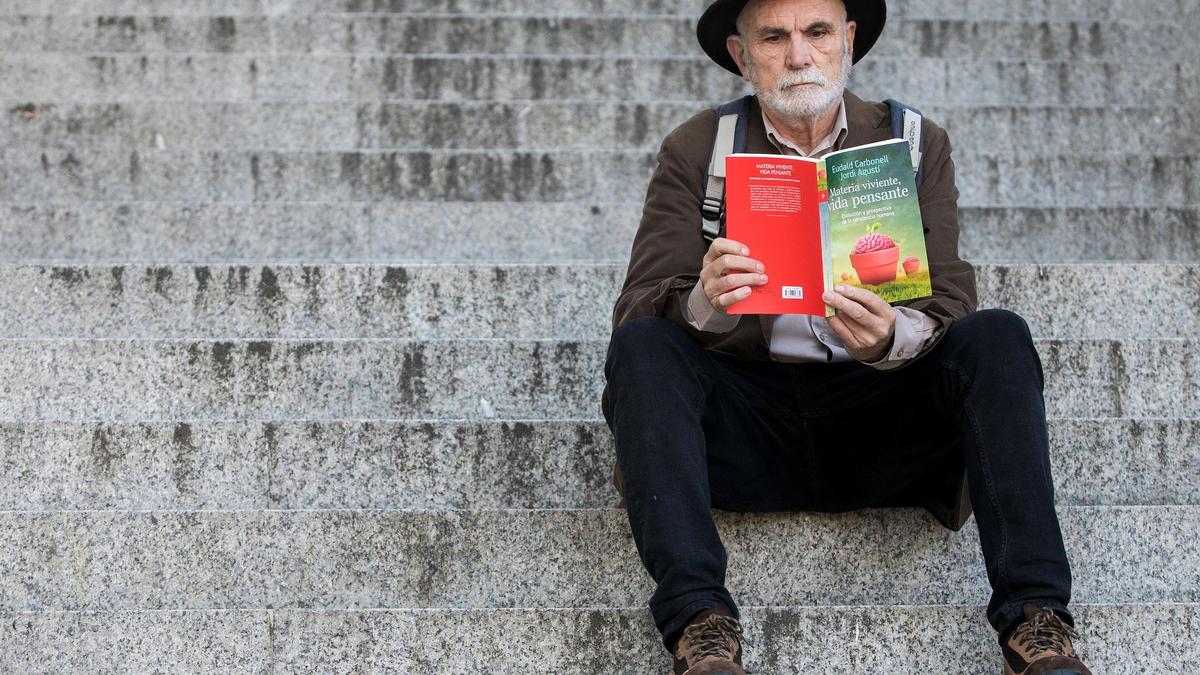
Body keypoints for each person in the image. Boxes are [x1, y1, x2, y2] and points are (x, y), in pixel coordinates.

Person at [601, 1, 1093, 673]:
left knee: (998, 336)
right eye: (774, 37)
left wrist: (891, 336)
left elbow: (952, 300)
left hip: (880, 418)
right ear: (743, 55)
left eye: (817, 32)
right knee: (643, 349)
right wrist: (704, 302)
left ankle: (1037, 617)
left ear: (848, 40)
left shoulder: (915, 143)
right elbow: (635, 313)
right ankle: (700, 621)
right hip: (750, 428)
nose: (799, 56)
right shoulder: (697, 148)